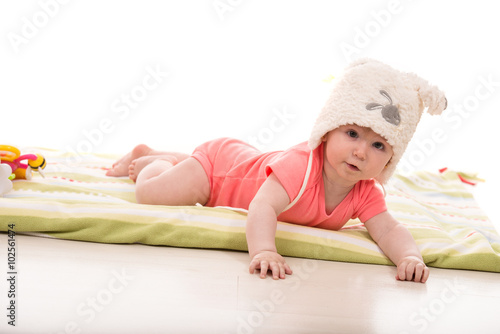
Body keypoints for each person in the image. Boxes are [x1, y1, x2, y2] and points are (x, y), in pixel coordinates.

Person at [106, 58, 447, 283]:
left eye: (378, 146)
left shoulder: (365, 191)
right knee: (150, 195)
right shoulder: (300, 166)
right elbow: (263, 206)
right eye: (353, 134)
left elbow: (388, 230)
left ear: (389, 160)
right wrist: (264, 250)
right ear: (328, 131)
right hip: (218, 171)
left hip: (247, 161)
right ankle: (155, 160)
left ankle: (174, 159)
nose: (361, 151)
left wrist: (410, 257)